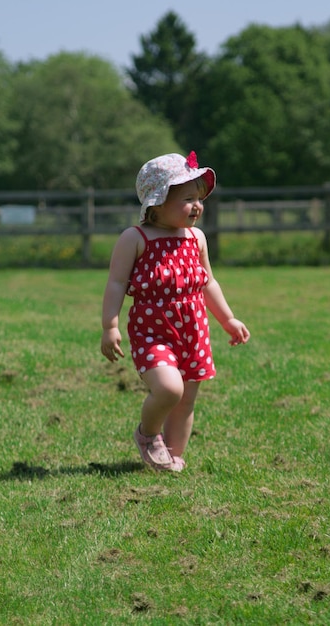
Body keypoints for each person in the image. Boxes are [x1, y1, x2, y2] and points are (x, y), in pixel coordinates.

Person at [101, 151, 250, 472]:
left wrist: (228, 319)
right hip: (152, 333)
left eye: (199, 198)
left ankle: (172, 457)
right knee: (169, 389)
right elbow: (115, 283)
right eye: (187, 198)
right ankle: (148, 435)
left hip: (193, 333)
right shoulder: (135, 238)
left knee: (186, 399)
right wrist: (109, 326)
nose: (197, 205)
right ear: (156, 203)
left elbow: (208, 282)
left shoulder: (196, 238)